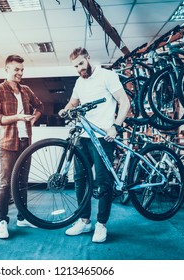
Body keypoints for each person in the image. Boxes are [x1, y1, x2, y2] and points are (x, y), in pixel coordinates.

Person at [59, 47, 130, 243]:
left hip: (103, 137)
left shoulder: (107, 76)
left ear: (88, 58)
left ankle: (101, 224)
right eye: (75, 66)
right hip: (83, 136)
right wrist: (65, 110)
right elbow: (73, 103)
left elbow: (124, 102)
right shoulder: (79, 82)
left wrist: (116, 126)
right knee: (80, 179)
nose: (79, 69)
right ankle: (84, 221)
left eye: (81, 63)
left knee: (102, 181)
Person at [0, 54, 44, 239]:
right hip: (7, 144)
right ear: (6, 70)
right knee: (5, 183)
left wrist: (34, 118)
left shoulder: (26, 90)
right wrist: (18, 117)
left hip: (25, 142)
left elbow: (40, 106)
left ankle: (23, 217)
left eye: (22, 70)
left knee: (22, 182)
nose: (20, 73)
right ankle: (2, 221)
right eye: (16, 70)